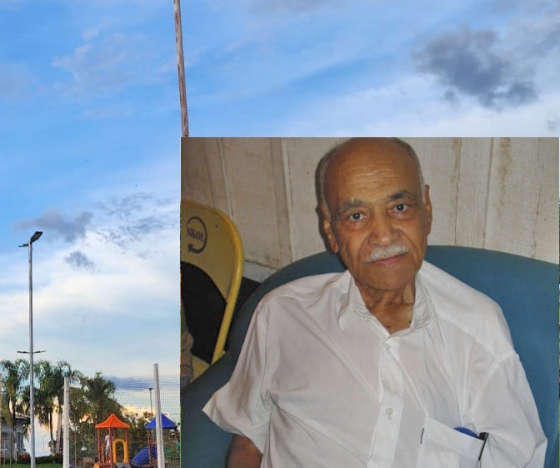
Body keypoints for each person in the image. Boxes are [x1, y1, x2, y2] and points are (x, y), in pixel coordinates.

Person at [204, 137, 546, 468]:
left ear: (426, 210)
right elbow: (248, 440)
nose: (383, 235)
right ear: (329, 227)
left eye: (399, 207)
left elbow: (518, 457)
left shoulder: (477, 328)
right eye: (356, 215)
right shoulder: (282, 314)